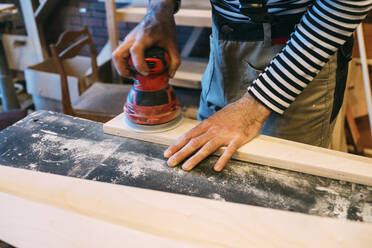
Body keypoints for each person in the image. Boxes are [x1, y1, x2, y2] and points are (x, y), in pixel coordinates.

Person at [112, 0, 372, 172]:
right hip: (225, 37)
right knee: (207, 167)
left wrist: (256, 105)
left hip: (302, 47)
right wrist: (159, 11)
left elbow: (349, 3)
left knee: (281, 184)